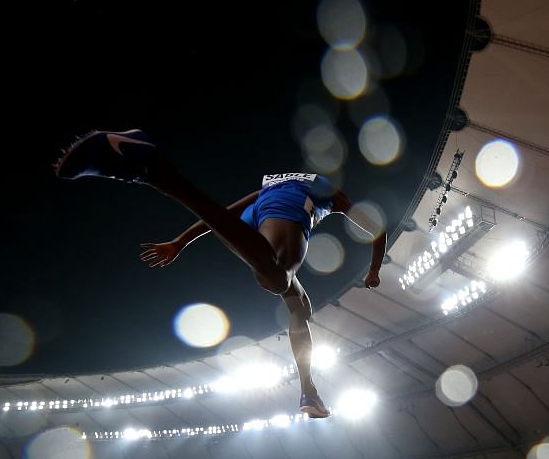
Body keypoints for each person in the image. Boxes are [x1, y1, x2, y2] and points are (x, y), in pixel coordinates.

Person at [54, 128, 386, 418]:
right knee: (278, 278)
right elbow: (375, 229)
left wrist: (179, 243)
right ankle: (154, 170)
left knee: (299, 304)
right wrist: (373, 270)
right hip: (281, 220)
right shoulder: (328, 191)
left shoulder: (268, 188)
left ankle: (307, 391)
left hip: (250, 224)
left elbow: (222, 215)